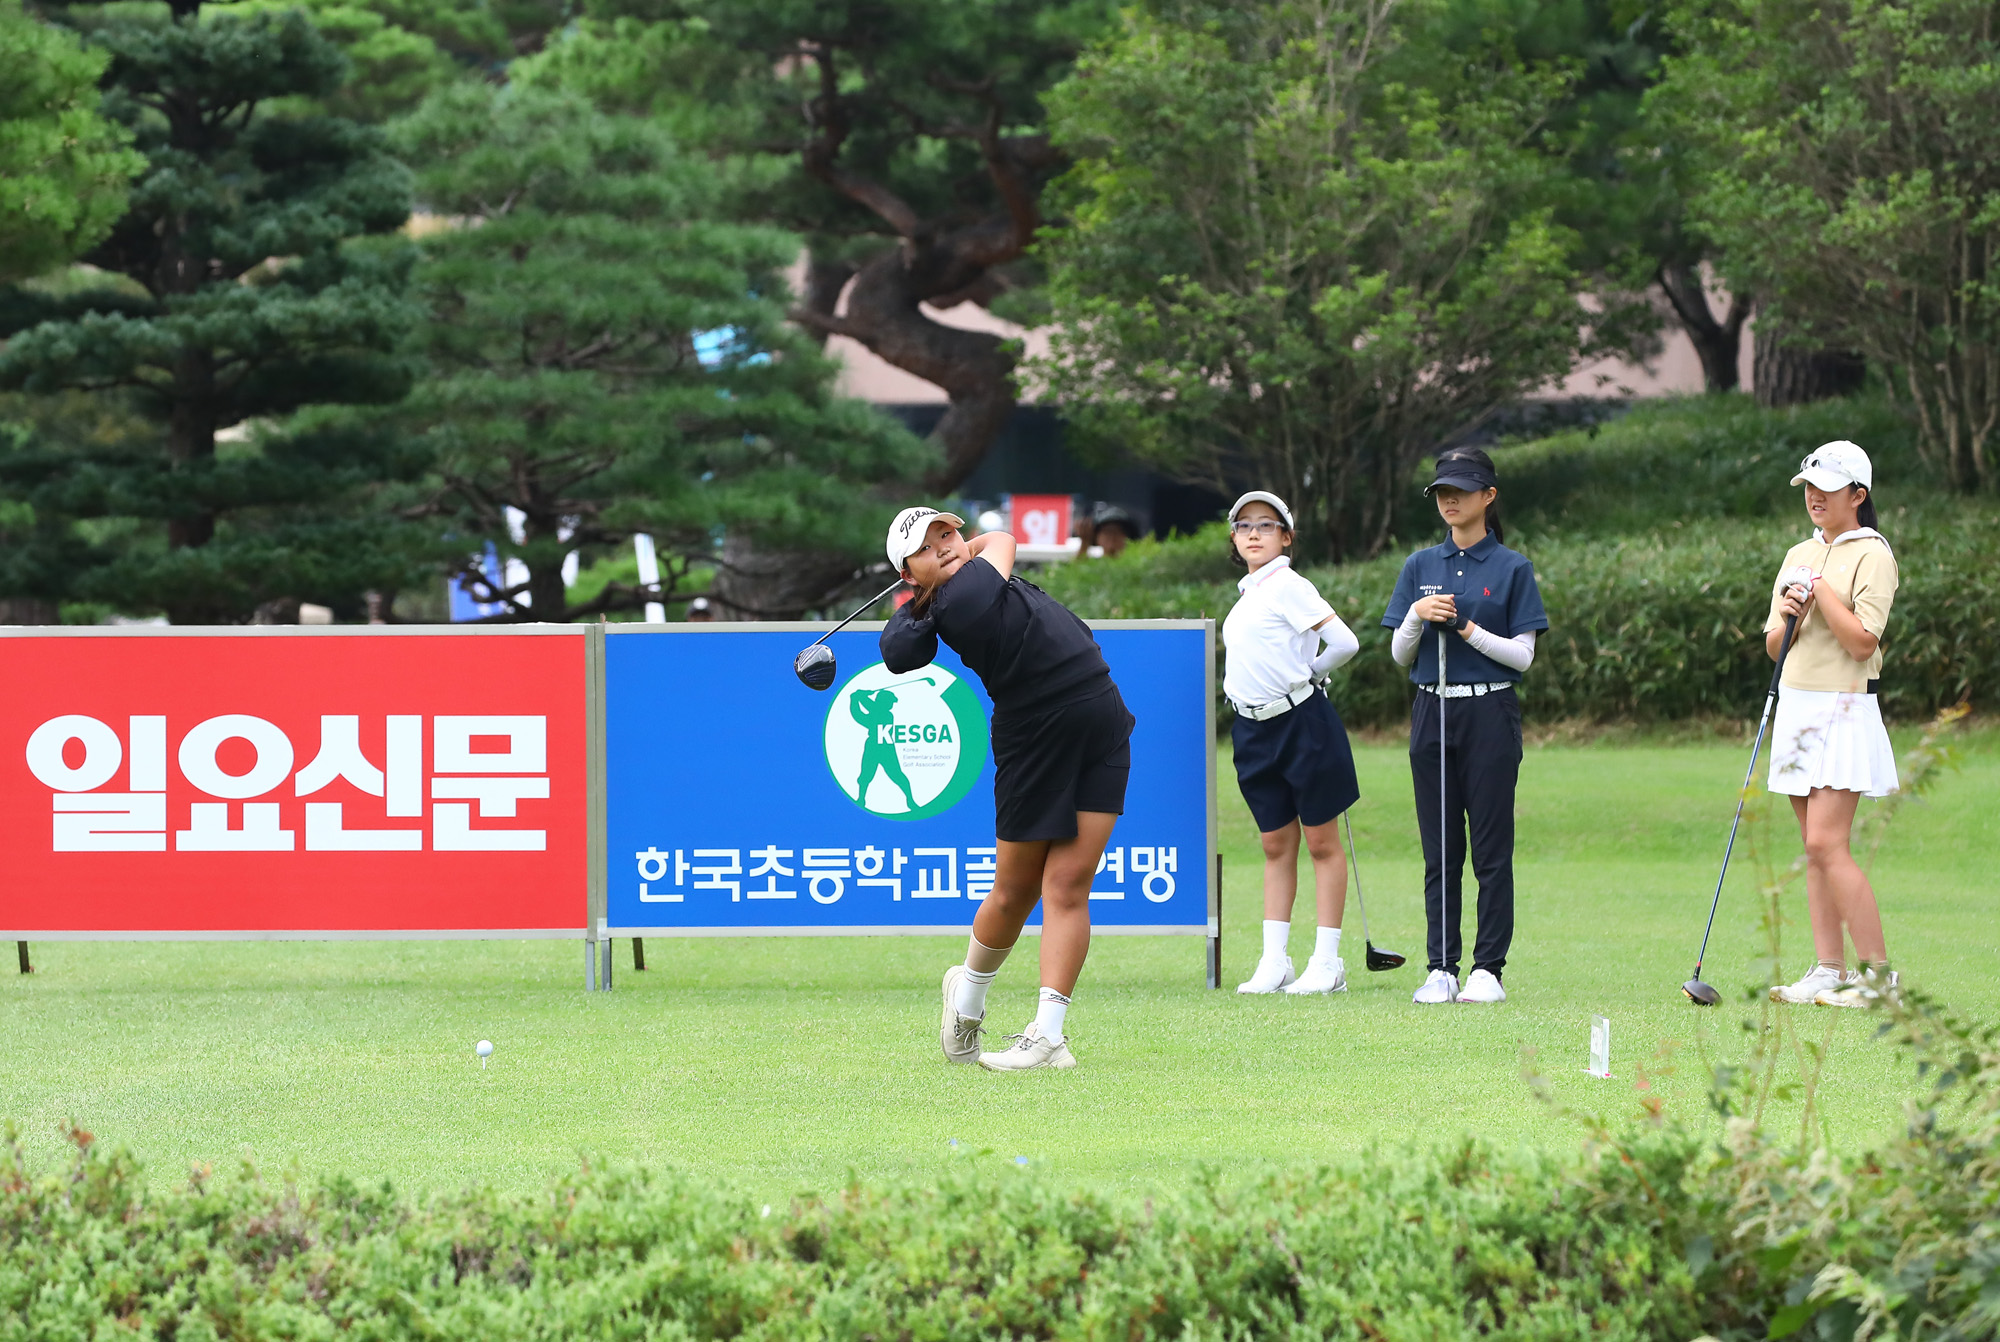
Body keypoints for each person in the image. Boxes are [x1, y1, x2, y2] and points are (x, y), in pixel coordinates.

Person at [880, 505, 1135, 1071]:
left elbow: (981, 546)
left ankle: (1049, 1037)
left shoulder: (950, 591)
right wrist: (948, 570)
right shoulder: (963, 597)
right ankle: (966, 999)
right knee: (1014, 891)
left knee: (1069, 884)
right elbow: (1002, 538)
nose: (945, 546)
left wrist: (927, 580)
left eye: (947, 534)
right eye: (925, 549)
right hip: (1035, 736)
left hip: (1101, 718)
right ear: (906, 573)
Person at [1380, 447, 1548, 1005]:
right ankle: (1441, 967)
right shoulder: (1419, 566)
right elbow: (1401, 655)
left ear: (1488, 496)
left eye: (1461, 490)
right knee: (1441, 850)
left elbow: (1523, 656)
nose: (1449, 500)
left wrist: (1468, 629)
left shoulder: (1513, 567)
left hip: (1490, 710)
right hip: (1432, 708)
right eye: (1441, 492)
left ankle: (1487, 970)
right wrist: (1416, 615)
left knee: (1491, 851)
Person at [1763, 440, 1901, 1008]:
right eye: (1810, 488)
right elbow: (1775, 646)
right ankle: (1828, 969)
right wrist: (1790, 613)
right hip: (1797, 704)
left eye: (1828, 487)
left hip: (1844, 707)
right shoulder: (1799, 552)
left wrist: (1820, 594)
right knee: (1812, 847)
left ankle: (1879, 978)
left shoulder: (1873, 555)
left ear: (1858, 495)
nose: (1815, 497)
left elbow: (1863, 642)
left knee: (1827, 841)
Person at [1221, 491, 1364, 996]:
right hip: (1252, 730)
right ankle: (1275, 961)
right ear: (1234, 538)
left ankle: (1327, 963)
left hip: (1301, 723)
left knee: (1321, 843)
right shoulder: (1249, 593)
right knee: (1274, 845)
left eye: (1266, 525)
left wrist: (1312, 674)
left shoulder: (1289, 585)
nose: (1253, 533)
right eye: (1244, 526)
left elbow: (1345, 642)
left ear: (1286, 537)